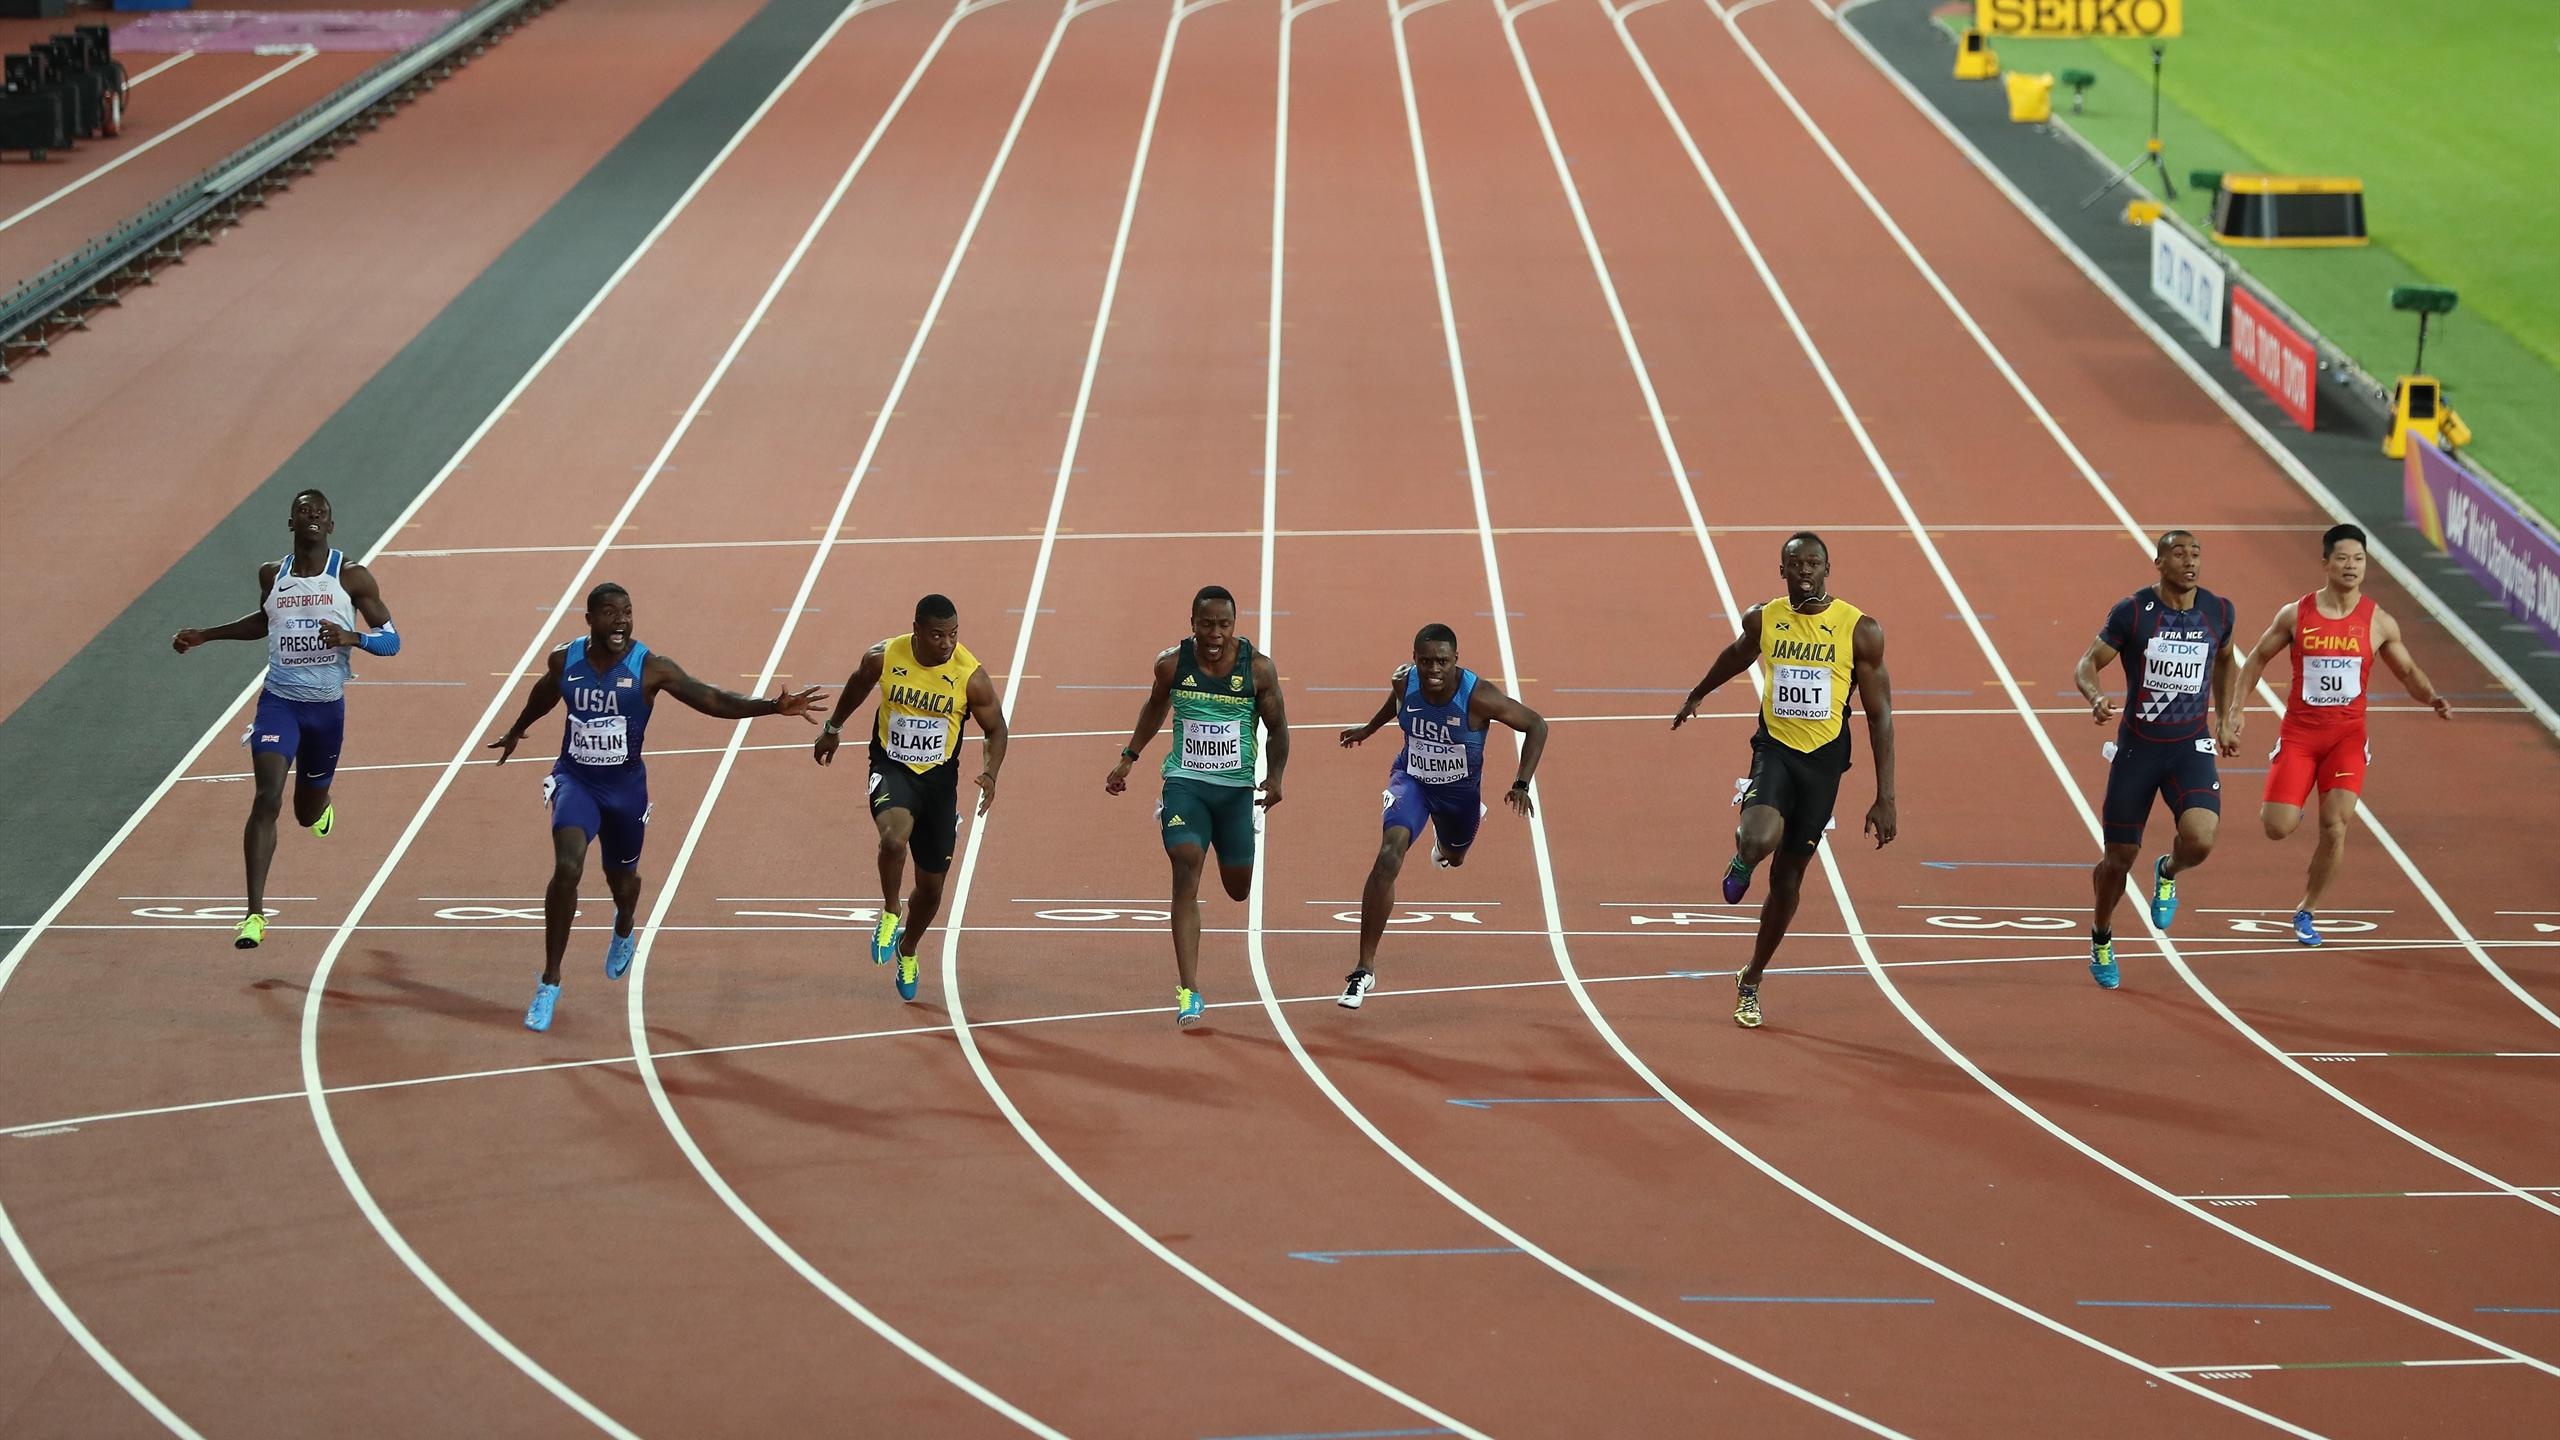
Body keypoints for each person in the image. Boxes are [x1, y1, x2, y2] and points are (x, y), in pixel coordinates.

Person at [487, 582, 823, 1032]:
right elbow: (548, 692)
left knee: (621, 880)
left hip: (625, 791)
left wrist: (769, 707)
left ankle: (625, 924)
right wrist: (517, 729)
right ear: (589, 620)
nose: (621, 621)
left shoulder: (651, 668)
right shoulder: (564, 658)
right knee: (568, 867)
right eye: (610, 613)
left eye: (627, 612)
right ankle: (549, 982)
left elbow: (712, 699)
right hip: (576, 780)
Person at [1672, 532, 1896, 1028]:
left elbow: (1880, 716)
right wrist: (1698, 693)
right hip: (1775, 750)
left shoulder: (1859, 630)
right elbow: (1738, 654)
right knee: (1758, 839)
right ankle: (1742, 858)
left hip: (1823, 764)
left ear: (1827, 568)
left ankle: (1750, 978)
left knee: (1788, 882)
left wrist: (1886, 797)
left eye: (1813, 564)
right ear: (1783, 571)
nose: (1805, 572)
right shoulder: (1765, 617)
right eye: (1795, 565)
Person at [171, 489, 399, 949]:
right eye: (303, 510)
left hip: (325, 710)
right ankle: (254, 915)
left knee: (302, 811)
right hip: (279, 703)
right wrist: (206, 636)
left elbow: (392, 641)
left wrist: (351, 637)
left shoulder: (351, 576)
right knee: (266, 796)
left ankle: (320, 807)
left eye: (321, 512)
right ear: (290, 521)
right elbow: (263, 622)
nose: (312, 515)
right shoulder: (272, 574)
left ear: (330, 526)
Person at [2223, 524, 2451, 946]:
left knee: (2337, 825)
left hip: (2346, 741)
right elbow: (2254, 661)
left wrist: (2431, 697)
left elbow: (2407, 672)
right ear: (2326, 563)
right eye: (2343, 558)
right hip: (2300, 736)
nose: (2351, 566)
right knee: (2277, 826)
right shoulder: (2296, 614)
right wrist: (2236, 710)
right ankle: (2294, 803)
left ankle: (2306, 910)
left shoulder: (2379, 622)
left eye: (2359, 559)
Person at [1103, 585, 1290, 1026]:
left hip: (1235, 790)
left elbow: (1279, 728)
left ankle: (1238, 835)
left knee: (1238, 887)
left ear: (1234, 625)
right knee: (1186, 862)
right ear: (1192, 624)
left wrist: (1276, 777)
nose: (1215, 633)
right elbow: (1154, 709)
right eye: (1206, 624)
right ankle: (1189, 991)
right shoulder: (1172, 664)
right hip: (1185, 782)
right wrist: (1128, 759)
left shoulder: (1258, 669)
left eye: (1224, 624)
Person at [1335, 624, 1548, 1009]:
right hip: (1412, 782)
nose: (1434, 669)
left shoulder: (1477, 696)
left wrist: (1521, 783)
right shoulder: (1405, 681)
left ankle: (1444, 844)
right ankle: (1363, 969)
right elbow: (1396, 704)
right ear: (1415, 659)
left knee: (1455, 857)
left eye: (1443, 662)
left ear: (1456, 661)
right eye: (1426, 661)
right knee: (1388, 856)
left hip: (1459, 796)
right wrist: (1368, 728)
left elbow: (1536, 724)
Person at [813, 593, 1009, 1001]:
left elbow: (997, 729)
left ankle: (909, 948)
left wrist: (990, 772)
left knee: (932, 887)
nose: (946, 644)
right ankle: (889, 911)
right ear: (916, 630)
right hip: (892, 768)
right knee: (893, 839)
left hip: (938, 782)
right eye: (937, 635)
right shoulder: (883, 657)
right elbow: (857, 686)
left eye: (953, 635)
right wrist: (833, 727)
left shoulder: (969, 675)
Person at [2073, 529, 2238, 989]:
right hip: (2138, 750)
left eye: (2196, 554)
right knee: (2117, 861)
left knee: (2201, 839)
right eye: (2179, 553)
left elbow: (2226, 661)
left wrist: (2227, 717)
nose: (2190, 561)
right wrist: (2095, 696)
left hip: (2190, 746)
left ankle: (2168, 871)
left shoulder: (2219, 611)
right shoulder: (2132, 612)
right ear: (2159, 563)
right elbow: (2087, 663)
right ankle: (2101, 936)